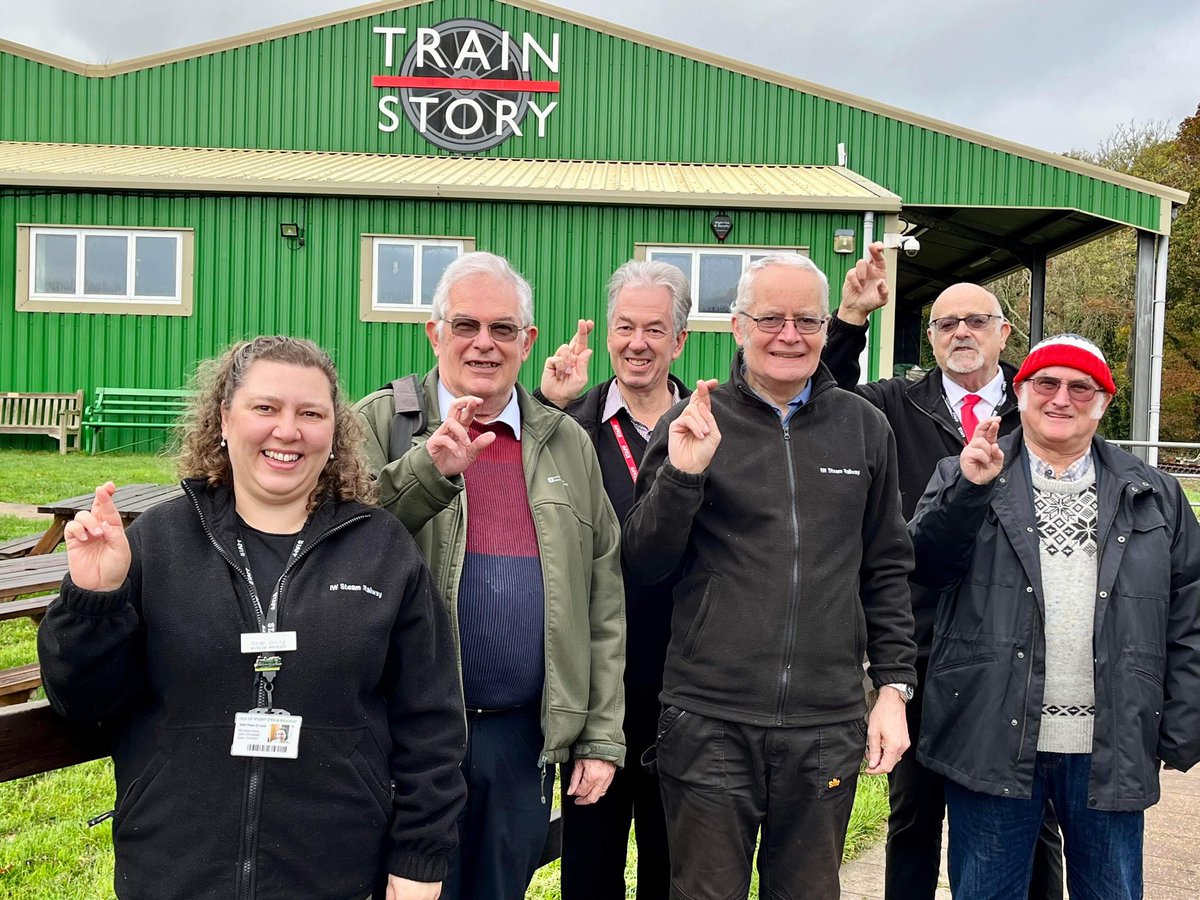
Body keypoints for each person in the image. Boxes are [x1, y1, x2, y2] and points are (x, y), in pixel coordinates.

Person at [37, 336, 466, 900]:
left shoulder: (381, 550)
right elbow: (83, 703)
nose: (287, 431)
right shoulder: (157, 543)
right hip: (174, 871)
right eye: (265, 408)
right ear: (223, 417)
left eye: (310, 414)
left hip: (333, 874)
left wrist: (419, 860)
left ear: (334, 431)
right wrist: (96, 598)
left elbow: (431, 722)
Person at [622, 253, 917, 899]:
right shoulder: (692, 422)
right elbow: (644, 563)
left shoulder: (863, 428)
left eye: (807, 319)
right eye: (771, 318)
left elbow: (887, 565)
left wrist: (892, 689)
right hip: (709, 720)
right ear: (737, 326)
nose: (790, 334)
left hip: (824, 724)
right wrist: (683, 475)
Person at [354, 251, 626, 900]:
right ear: (433, 332)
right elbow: (343, 549)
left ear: (527, 342)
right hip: (406, 738)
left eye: (503, 329)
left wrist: (600, 734)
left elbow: (602, 603)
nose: (484, 344)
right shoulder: (380, 424)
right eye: (465, 325)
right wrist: (428, 471)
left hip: (518, 738)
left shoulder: (565, 442)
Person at [908, 334, 1200, 900]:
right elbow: (925, 566)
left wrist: (1182, 723)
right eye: (1046, 383)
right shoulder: (964, 472)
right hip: (990, 733)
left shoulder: (1155, 494)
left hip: (1109, 744)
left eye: (1079, 386)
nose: (1061, 398)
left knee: (1112, 891)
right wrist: (970, 490)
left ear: (1103, 401)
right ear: (1020, 393)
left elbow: (1190, 612)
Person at [825, 243, 1064, 900]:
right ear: (929, 337)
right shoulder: (893, 405)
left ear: (1003, 332)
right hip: (923, 641)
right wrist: (849, 320)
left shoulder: (1040, 404)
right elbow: (822, 394)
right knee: (914, 814)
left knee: (1030, 811)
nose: (961, 332)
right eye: (946, 323)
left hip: (1015, 643)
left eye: (976, 321)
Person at [537, 259, 692, 900]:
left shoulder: (709, 429)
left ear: (679, 339)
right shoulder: (569, 427)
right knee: (590, 867)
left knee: (673, 864)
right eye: (624, 326)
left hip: (688, 686)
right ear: (607, 333)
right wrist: (546, 403)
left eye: (654, 329)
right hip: (597, 683)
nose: (637, 343)